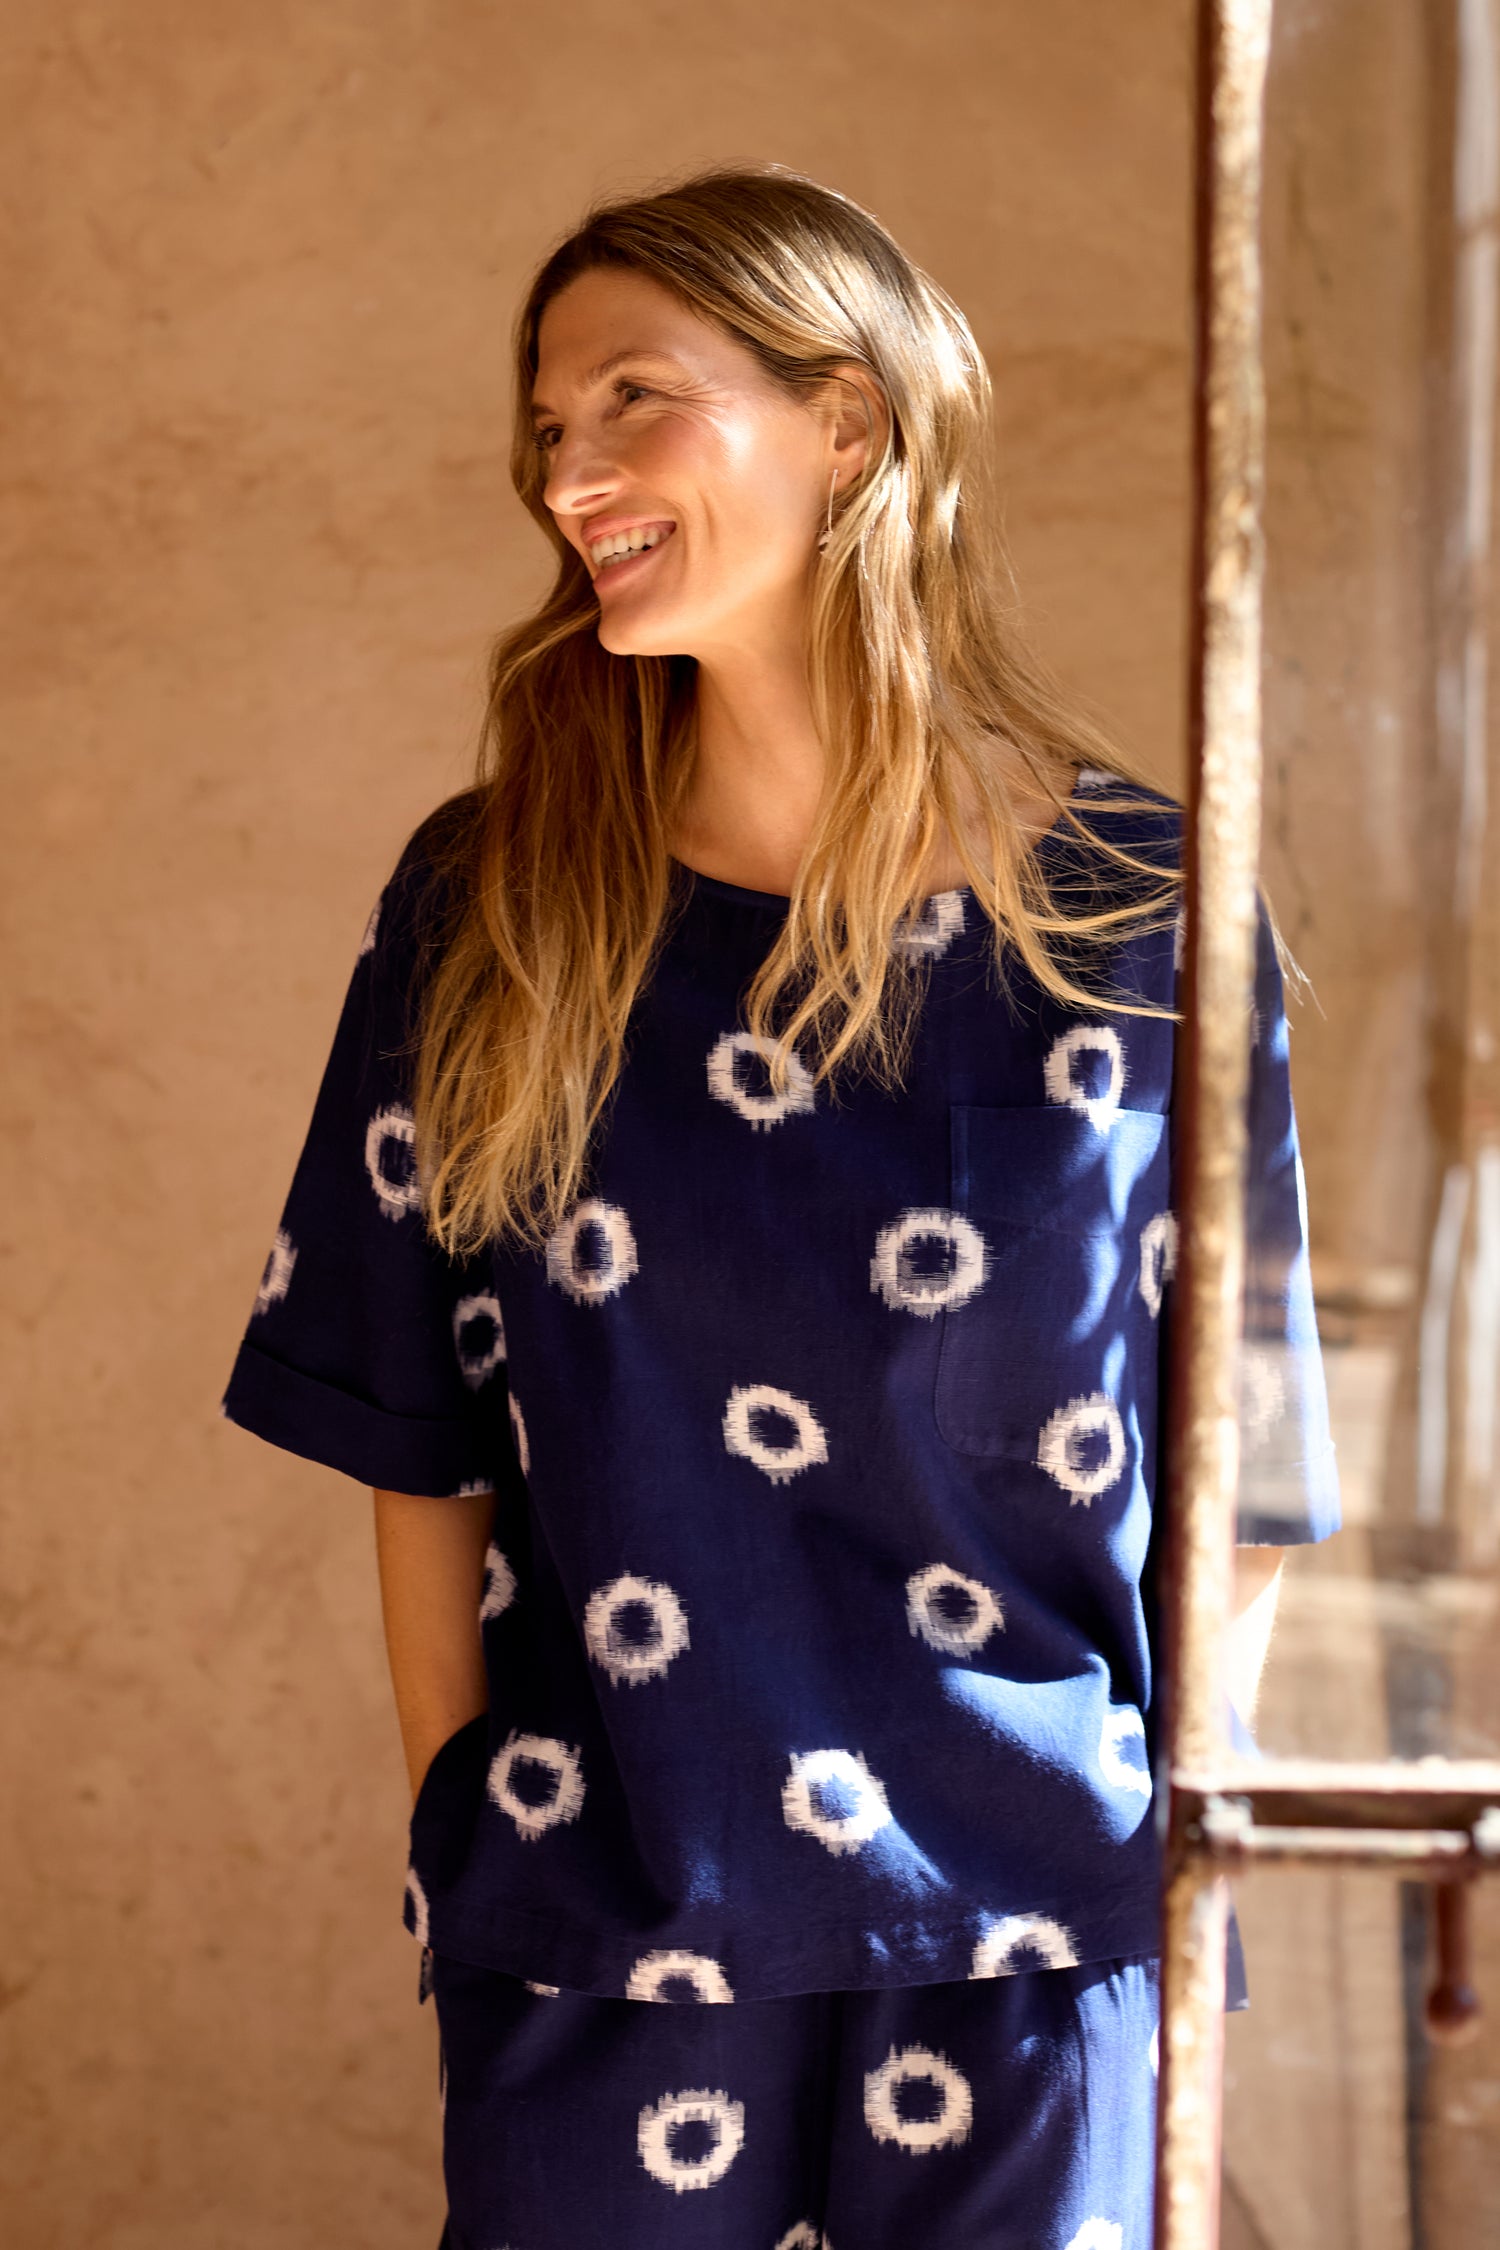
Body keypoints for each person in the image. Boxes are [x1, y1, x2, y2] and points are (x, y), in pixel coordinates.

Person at [222, 165, 1340, 2250]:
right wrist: (468, 1816)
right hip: (600, 1923)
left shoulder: (1146, 914)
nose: (571, 476)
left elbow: (1245, 1456)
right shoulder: (489, 905)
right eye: (549, 428)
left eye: (633, 400)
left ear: (850, 424)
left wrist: (1167, 1847)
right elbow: (406, 1425)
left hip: (1037, 1939)